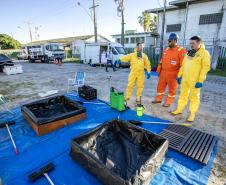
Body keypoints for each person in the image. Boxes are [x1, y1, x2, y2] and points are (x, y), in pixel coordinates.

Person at [171, 36, 211, 122]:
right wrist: (179, 75)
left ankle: (192, 114)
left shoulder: (204, 53)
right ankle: (179, 109)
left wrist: (200, 81)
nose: (191, 45)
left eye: (193, 43)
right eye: (190, 43)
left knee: (194, 97)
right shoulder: (189, 53)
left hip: (195, 80)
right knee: (183, 95)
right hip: (185, 79)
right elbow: (183, 64)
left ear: (199, 43)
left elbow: (205, 68)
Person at [152, 33, 187, 107]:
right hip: (163, 73)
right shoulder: (166, 50)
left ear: (175, 40)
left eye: (170, 41)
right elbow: (161, 61)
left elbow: (183, 65)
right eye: (168, 41)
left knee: (172, 89)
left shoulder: (181, 50)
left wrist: (180, 75)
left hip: (173, 73)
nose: (168, 42)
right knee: (160, 87)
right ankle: (158, 99)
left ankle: (168, 102)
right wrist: (158, 71)